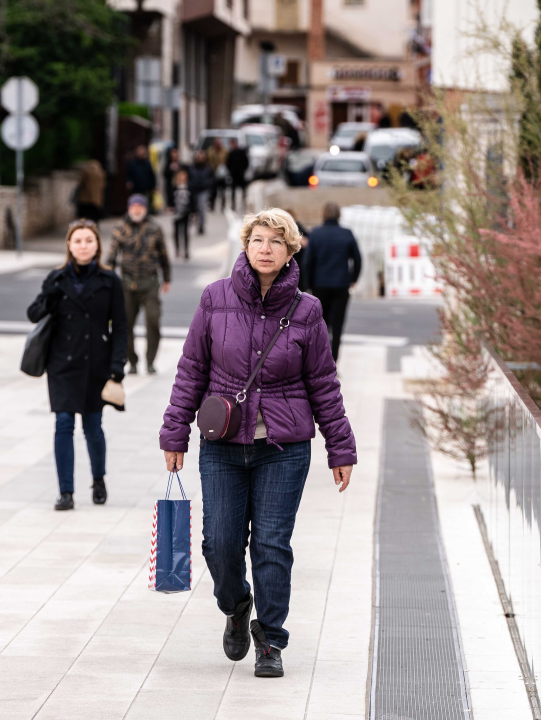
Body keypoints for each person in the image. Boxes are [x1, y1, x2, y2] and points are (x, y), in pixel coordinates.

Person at [159, 208, 356, 679]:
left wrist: (340, 447)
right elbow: (192, 370)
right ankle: (236, 605)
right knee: (220, 543)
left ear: (290, 251)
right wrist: (175, 430)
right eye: (258, 240)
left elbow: (323, 383)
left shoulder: (307, 310)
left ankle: (270, 640)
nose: (265, 248)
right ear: (245, 246)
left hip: (283, 449)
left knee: (271, 544)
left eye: (276, 241)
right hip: (224, 445)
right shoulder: (215, 298)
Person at [27, 220, 128, 511]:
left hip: (96, 364)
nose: (83, 246)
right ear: (69, 246)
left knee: (93, 427)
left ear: (97, 245)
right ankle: (66, 492)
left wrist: (117, 364)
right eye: (78, 241)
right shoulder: (56, 278)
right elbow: (33, 314)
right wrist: (49, 296)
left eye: (89, 240)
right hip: (62, 364)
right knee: (63, 423)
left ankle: (98, 479)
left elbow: (121, 327)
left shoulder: (110, 280)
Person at [106, 194, 171, 375]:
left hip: (150, 282)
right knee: (125, 324)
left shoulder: (155, 228)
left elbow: (163, 255)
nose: (136, 210)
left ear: (145, 209)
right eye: (133, 206)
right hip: (127, 283)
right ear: (129, 208)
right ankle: (132, 361)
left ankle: (150, 361)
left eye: (139, 206)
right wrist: (106, 280)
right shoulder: (120, 228)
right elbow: (111, 256)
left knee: (153, 320)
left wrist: (167, 278)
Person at [304, 202, 362, 361]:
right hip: (341, 285)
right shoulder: (347, 233)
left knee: (320, 325)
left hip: (319, 285)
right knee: (338, 325)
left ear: (323, 214)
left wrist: (308, 285)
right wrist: (353, 279)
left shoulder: (315, 233)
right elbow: (357, 259)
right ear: (339, 215)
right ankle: (333, 361)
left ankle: (320, 361)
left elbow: (308, 262)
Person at [188, 151, 214, 236]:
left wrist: (208, 185)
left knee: (201, 207)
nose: (200, 159)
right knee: (195, 209)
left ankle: (201, 225)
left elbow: (212, 179)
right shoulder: (192, 168)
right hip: (193, 190)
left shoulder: (208, 168)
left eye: (202, 157)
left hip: (203, 190)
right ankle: (195, 223)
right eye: (199, 157)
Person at [171, 169, 193, 261]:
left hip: (186, 212)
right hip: (176, 212)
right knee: (176, 232)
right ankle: (177, 250)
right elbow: (170, 198)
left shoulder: (189, 187)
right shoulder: (174, 187)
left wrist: (193, 211)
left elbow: (192, 199)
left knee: (185, 232)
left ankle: (186, 250)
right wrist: (170, 207)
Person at [225, 138, 250, 213]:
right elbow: (228, 163)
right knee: (233, 190)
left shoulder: (241, 152)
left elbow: (246, 162)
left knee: (243, 190)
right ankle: (233, 204)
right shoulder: (231, 153)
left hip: (241, 174)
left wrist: (243, 170)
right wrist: (230, 171)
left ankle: (244, 204)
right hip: (234, 175)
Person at [207, 139, 228, 211]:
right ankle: (212, 205)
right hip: (213, 173)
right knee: (213, 191)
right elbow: (209, 160)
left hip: (222, 174)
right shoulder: (211, 151)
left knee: (223, 191)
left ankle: (223, 206)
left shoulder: (224, 151)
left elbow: (226, 160)